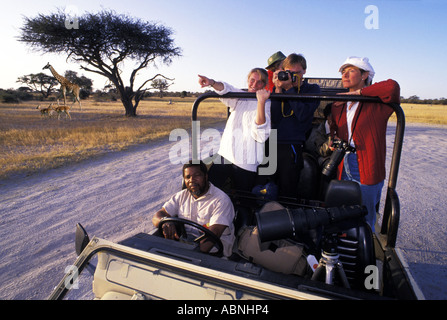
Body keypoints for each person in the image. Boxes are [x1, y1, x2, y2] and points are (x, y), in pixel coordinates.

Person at [330, 56, 400, 232]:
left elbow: (392, 87)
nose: (344, 74)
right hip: (342, 162)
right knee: (343, 212)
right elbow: (335, 130)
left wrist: (360, 93)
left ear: (364, 75)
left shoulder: (377, 104)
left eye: (351, 70)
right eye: (342, 72)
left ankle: (363, 251)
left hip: (366, 165)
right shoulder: (339, 103)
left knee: (364, 216)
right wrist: (333, 140)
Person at [197, 69, 271, 192]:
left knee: (242, 199)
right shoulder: (241, 96)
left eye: (259, 82)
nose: (254, 85)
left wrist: (261, 102)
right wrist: (211, 82)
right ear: (248, 80)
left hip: (246, 161)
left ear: (264, 85)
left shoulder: (266, 103)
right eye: (252, 80)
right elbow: (226, 89)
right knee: (210, 191)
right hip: (226, 154)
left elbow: (260, 133)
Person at [152, 160, 236, 257]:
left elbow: (211, 240)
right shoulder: (181, 196)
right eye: (188, 177)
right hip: (185, 245)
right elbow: (157, 216)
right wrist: (165, 222)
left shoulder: (221, 200)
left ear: (206, 176)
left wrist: (181, 255)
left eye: (197, 175)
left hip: (214, 253)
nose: (192, 180)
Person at [271, 53, 321, 198]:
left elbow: (303, 115)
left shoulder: (312, 89)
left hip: (292, 144)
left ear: (304, 71)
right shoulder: (281, 88)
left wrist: (289, 90)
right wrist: (278, 90)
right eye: (289, 73)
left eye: (296, 73)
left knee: (288, 189)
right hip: (272, 143)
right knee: (269, 187)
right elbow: (274, 117)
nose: (292, 76)